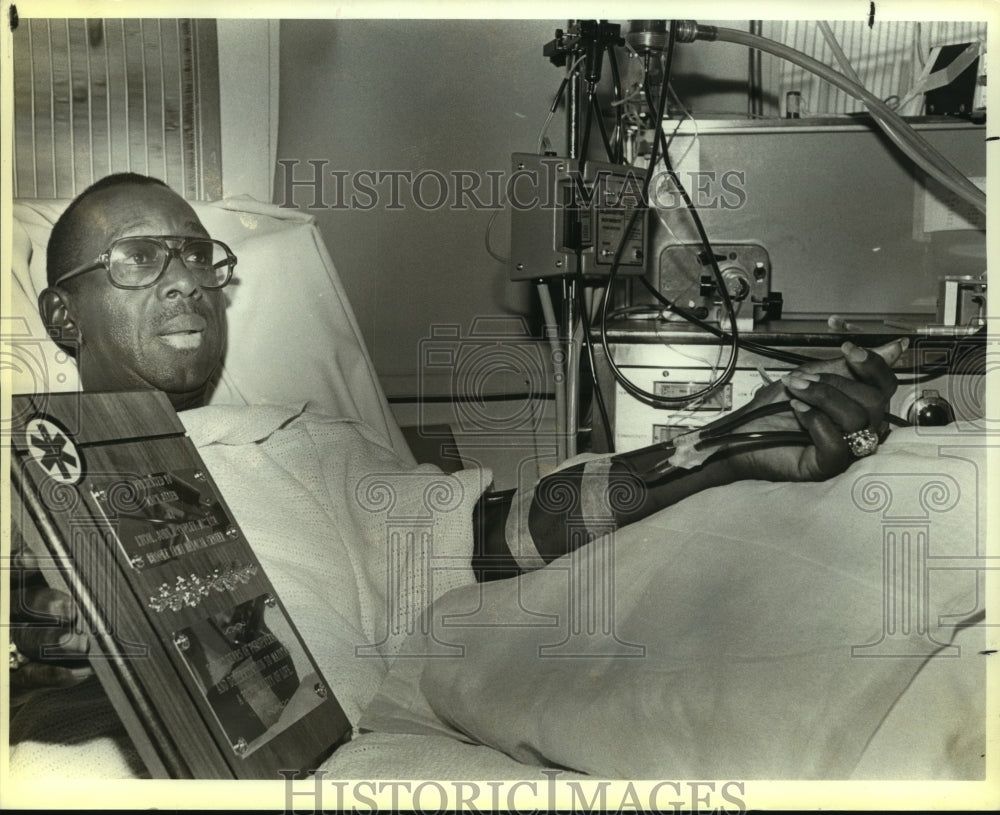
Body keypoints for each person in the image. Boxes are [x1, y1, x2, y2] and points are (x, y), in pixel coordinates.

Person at [9, 173, 902, 734]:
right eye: (139, 256)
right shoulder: (22, 472)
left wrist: (728, 447)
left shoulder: (306, 442)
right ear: (61, 316)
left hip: (374, 752)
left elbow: (495, 530)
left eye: (198, 255)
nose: (186, 277)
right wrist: (37, 655)